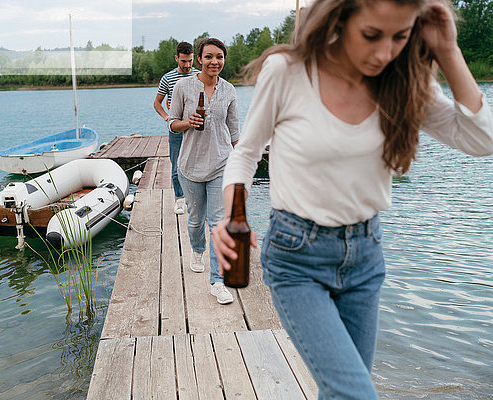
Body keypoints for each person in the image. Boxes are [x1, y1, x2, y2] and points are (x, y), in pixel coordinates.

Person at [212, 0, 493, 397]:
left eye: (400, 36)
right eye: (371, 35)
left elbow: (482, 140)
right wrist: (231, 216)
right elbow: (245, 154)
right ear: (340, 18)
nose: (384, 53)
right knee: (356, 393)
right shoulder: (289, 71)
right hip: (297, 258)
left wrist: (447, 50)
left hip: (365, 258)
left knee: (342, 393)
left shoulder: (404, 79)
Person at [168, 38, 240, 305]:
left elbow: (234, 132)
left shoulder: (230, 90)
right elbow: (172, 124)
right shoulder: (183, 87)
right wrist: (188, 122)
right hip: (189, 166)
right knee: (196, 219)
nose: (215, 62)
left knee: (219, 222)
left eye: (219, 57)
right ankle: (196, 250)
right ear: (199, 59)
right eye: (209, 57)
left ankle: (217, 281)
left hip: (221, 163)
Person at [154, 41, 200, 215]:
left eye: (190, 61)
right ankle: (179, 200)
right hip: (177, 128)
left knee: (197, 164)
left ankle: (195, 201)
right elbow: (157, 103)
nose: (187, 65)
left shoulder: (199, 75)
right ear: (176, 58)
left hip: (196, 128)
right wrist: (166, 117)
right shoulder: (168, 78)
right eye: (183, 61)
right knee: (177, 166)